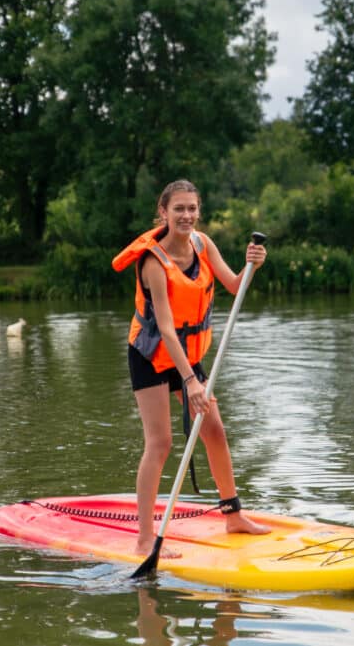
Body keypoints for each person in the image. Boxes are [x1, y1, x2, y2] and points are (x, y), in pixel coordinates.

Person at [112, 179, 271, 557]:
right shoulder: (153, 262)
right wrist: (190, 381)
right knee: (161, 442)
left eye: (192, 208)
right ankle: (145, 538)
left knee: (214, 430)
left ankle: (233, 515)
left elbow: (233, 285)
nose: (186, 215)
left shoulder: (202, 244)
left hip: (187, 355)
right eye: (179, 208)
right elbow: (165, 328)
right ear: (163, 212)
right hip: (152, 355)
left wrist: (252, 266)